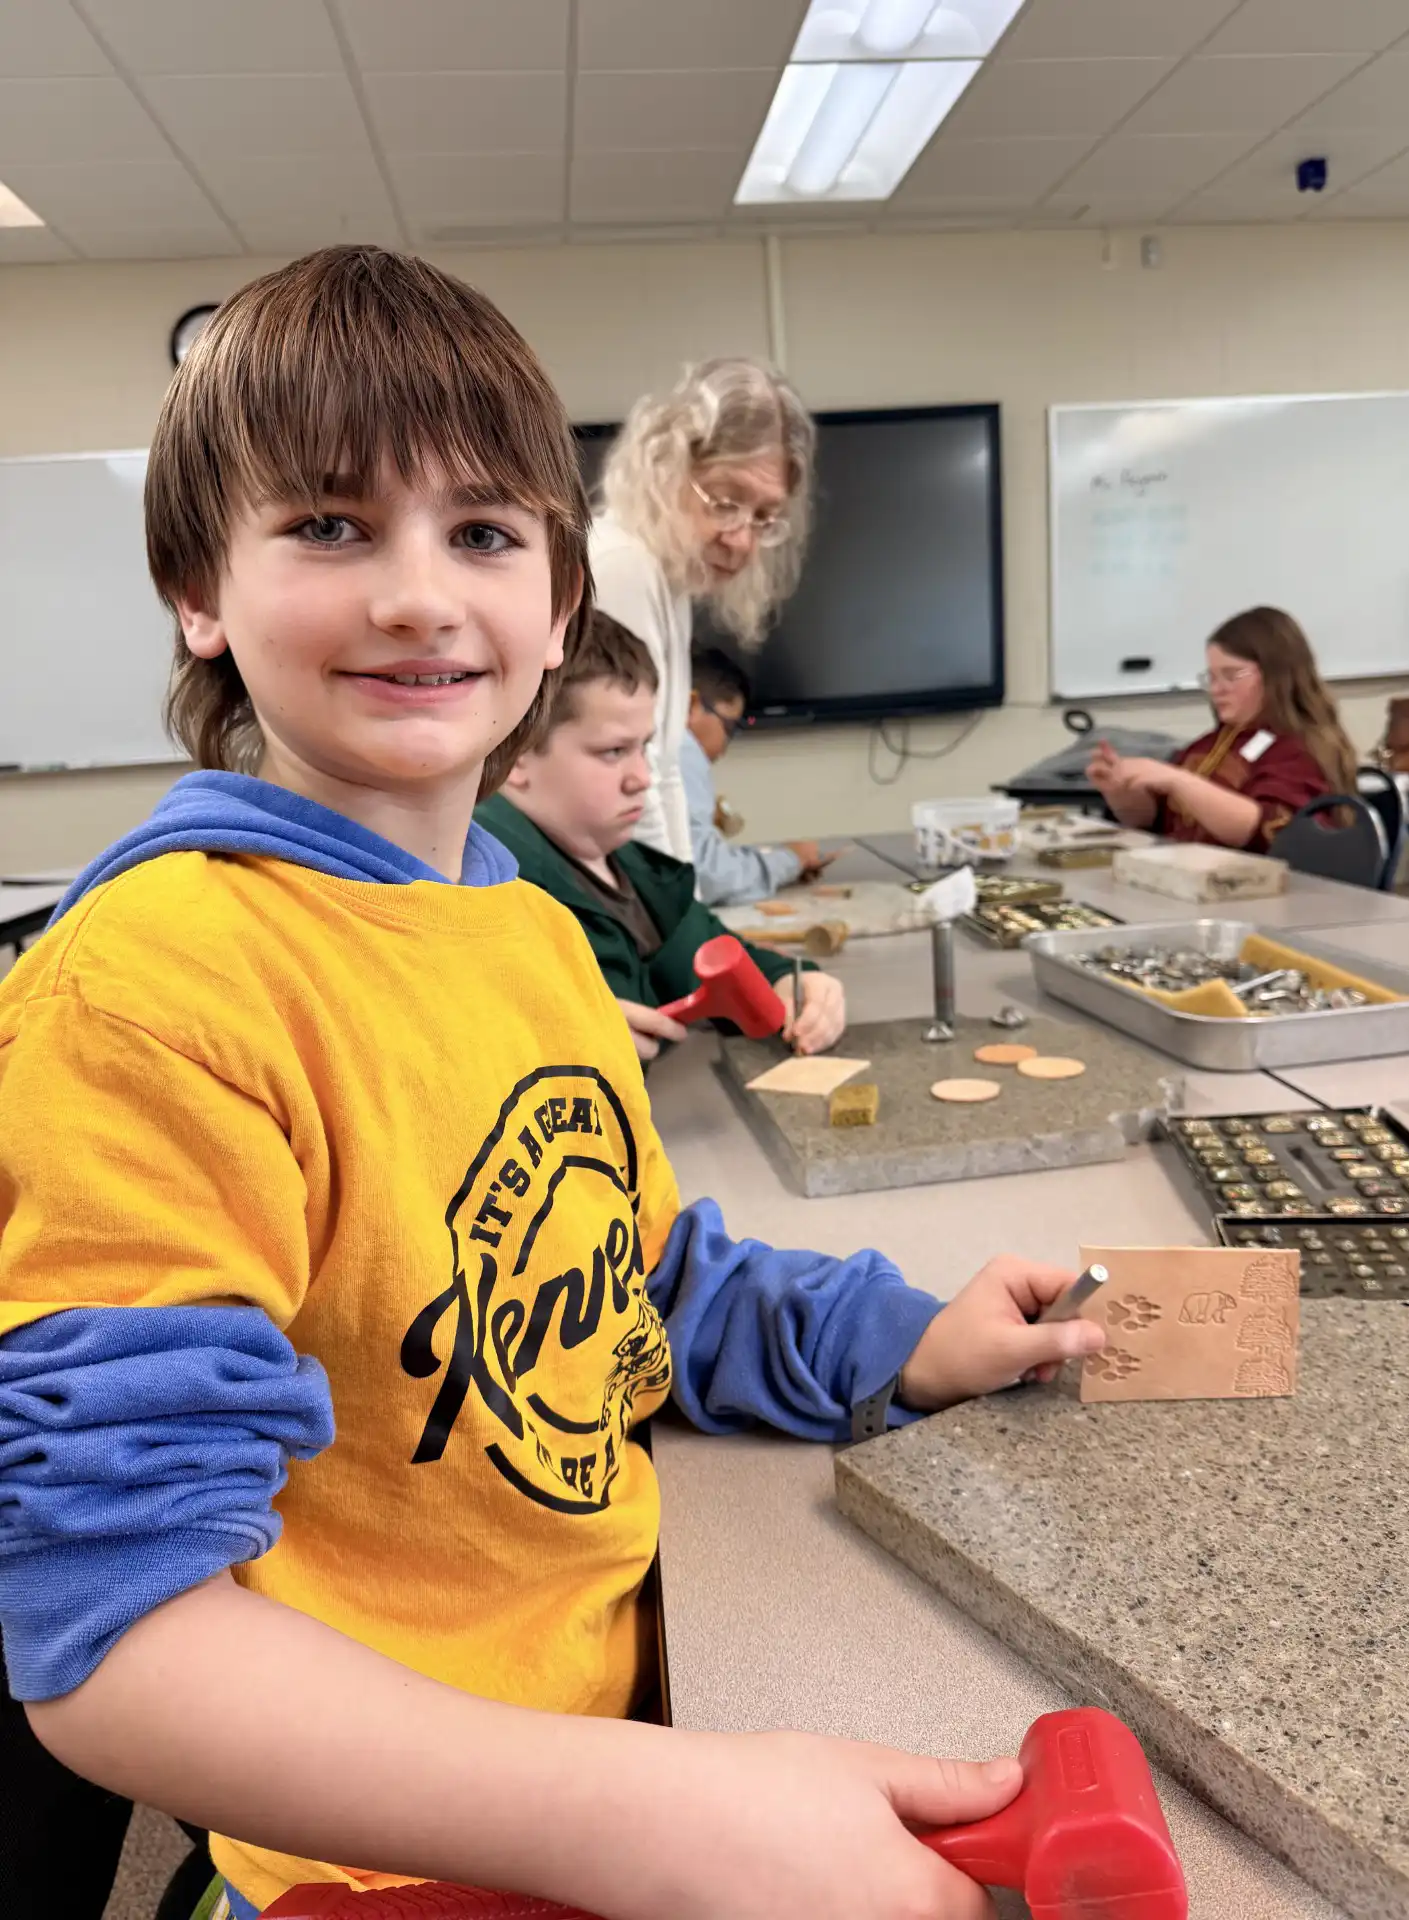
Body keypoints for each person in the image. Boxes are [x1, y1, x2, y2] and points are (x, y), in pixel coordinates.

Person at [0, 246, 1105, 1920]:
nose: (420, 595)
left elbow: (626, 1287)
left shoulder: (525, 944)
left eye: (484, 534)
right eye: (326, 525)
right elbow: (114, 1629)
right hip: (390, 1868)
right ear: (197, 590)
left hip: (626, 1725)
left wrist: (906, 1337)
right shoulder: (158, 984)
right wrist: (665, 1819)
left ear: (554, 599)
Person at [476, 615, 845, 1062]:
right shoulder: (482, 887)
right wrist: (545, 1037)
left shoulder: (628, 868)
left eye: (644, 748)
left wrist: (794, 981)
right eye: (613, 752)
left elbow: (716, 957)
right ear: (517, 753)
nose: (643, 778)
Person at [589, 359, 815, 863]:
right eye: (725, 501)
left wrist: (684, 909)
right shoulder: (622, 566)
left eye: (763, 517)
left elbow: (663, 771)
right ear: (666, 467)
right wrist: (673, 927)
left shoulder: (667, 575)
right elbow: (631, 783)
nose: (742, 540)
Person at [1086, 607, 1357, 852]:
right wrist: (1121, 790)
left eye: (1231, 675)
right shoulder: (1209, 744)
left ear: (1277, 674)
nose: (1216, 689)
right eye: (1212, 677)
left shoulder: (1300, 749)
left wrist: (1177, 780)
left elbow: (1264, 828)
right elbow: (1154, 819)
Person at [681, 646, 830, 907]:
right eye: (729, 727)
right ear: (691, 706)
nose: (727, 743)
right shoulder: (682, 751)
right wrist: (791, 860)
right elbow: (711, 878)